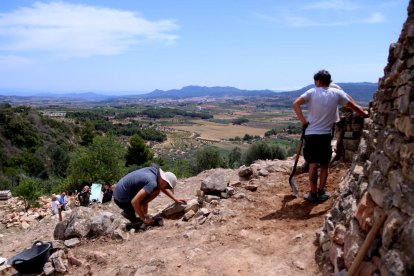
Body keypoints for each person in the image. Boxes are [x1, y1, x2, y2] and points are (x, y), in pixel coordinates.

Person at [292, 69, 368, 203]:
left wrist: (303, 121)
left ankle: (313, 193)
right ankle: (321, 191)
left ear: (318, 81)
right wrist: (365, 114)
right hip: (326, 135)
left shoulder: (311, 92)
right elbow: (353, 106)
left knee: (313, 165)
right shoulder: (337, 93)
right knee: (325, 165)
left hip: (311, 134)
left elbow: (295, 103)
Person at [113, 167, 186, 225]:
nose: (166, 189)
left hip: (120, 193)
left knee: (156, 190)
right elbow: (134, 202)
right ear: (164, 181)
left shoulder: (154, 172)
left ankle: (140, 213)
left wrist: (174, 198)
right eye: (167, 187)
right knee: (154, 191)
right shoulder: (152, 182)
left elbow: (161, 187)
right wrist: (143, 218)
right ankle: (129, 212)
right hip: (122, 199)